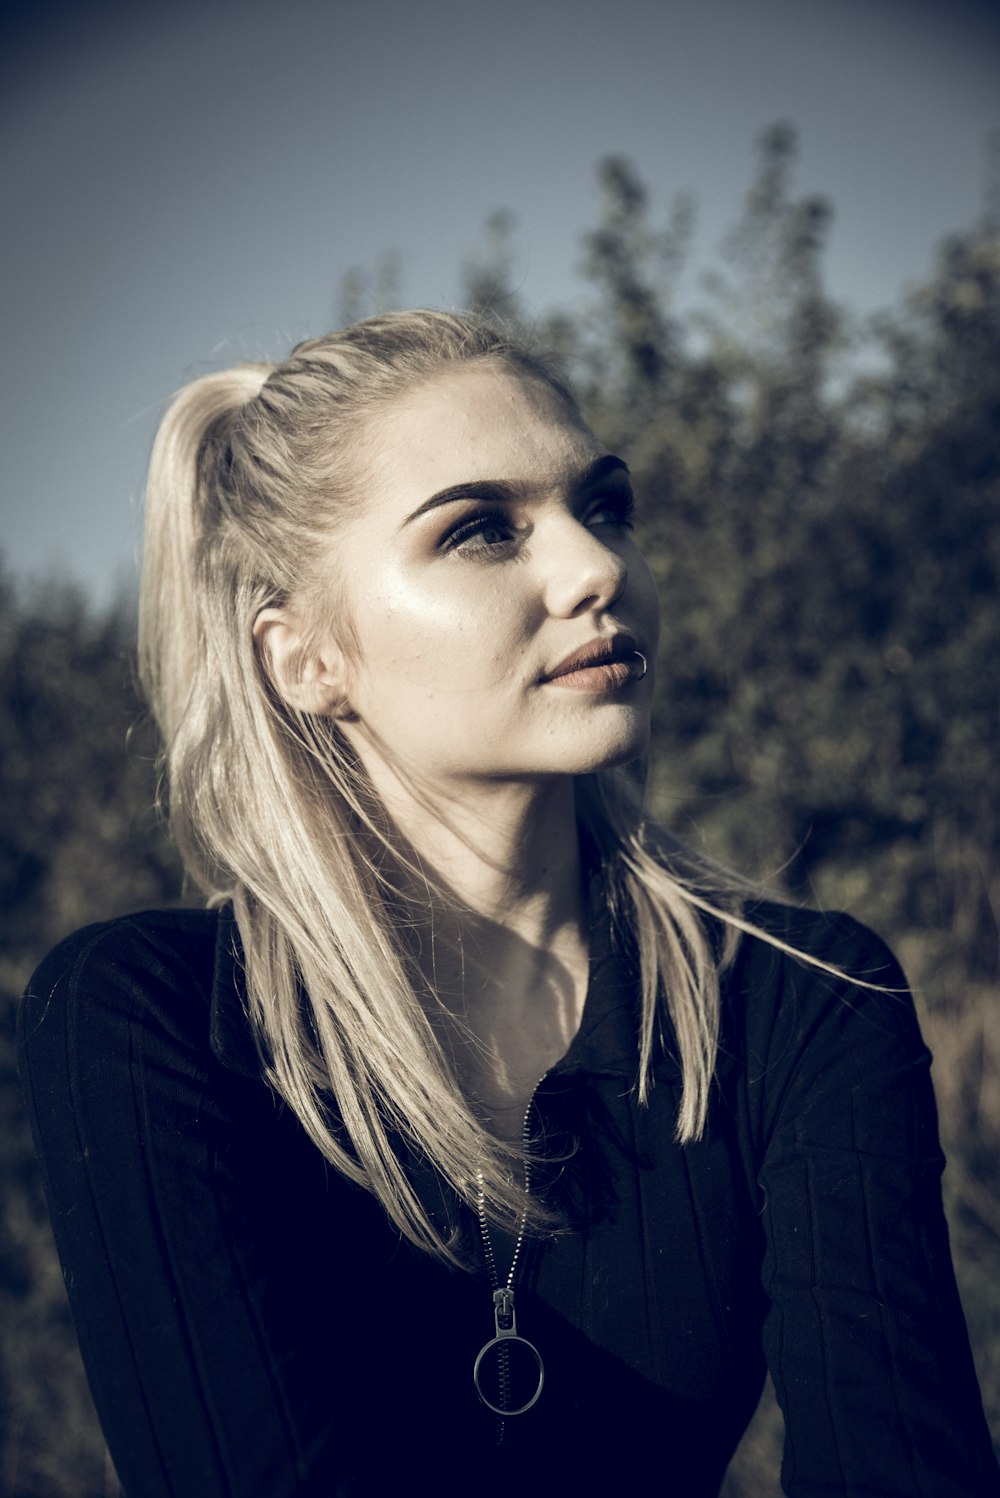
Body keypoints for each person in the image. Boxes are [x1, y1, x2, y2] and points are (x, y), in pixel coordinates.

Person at [17, 310, 999, 1497]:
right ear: (306, 657)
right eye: (482, 531)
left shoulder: (802, 1004)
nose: (597, 567)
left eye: (605, 505)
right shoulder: (157, 1021)